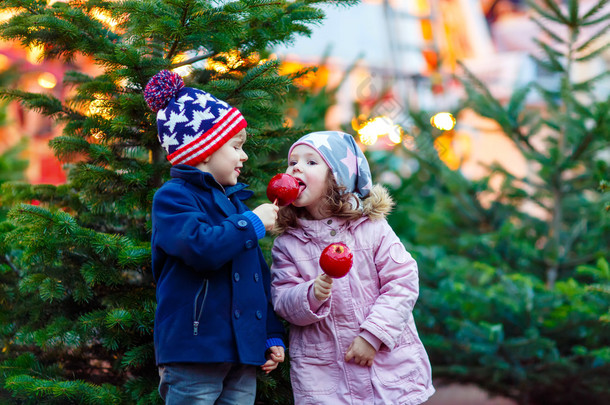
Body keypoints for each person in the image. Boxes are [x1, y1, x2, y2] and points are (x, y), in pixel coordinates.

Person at [144, 70, 285, 404]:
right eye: (236, 146)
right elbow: (201, 246)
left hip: (242, 351)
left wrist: (270, 334)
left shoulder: (235, 202)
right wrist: (251, 223)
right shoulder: (173, 198)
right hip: (195, 350)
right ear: (204, 149)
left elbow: (255, 275)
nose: (244, 156)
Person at [270, 131, 434, 405]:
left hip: (384, 367)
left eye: (311, 162)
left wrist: (373, 336)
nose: (295, 167)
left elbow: (402, 280)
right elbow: (283, 301)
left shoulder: (371, 228)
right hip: (326, 375)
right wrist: (312, 293)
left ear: (337, 177)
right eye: (292, 161)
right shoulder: (288, 244)